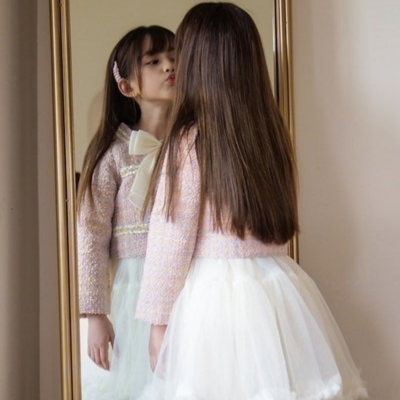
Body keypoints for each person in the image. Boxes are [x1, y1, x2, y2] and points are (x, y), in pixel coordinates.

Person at [135, 3, 368, 400]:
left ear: (196, 63)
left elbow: (171, 238)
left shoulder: (189, 140)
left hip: (215, 298)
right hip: (279, 289)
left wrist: (158, 323)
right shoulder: (268, 134)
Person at [77, 25, 175, 400]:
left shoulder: (193, 145)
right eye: (154, 61)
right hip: (134, 290)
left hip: (188, 281)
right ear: (127, 85)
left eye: (174, 57)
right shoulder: (113, 154)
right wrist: (95, 314)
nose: (169, 66)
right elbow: (90, 235)